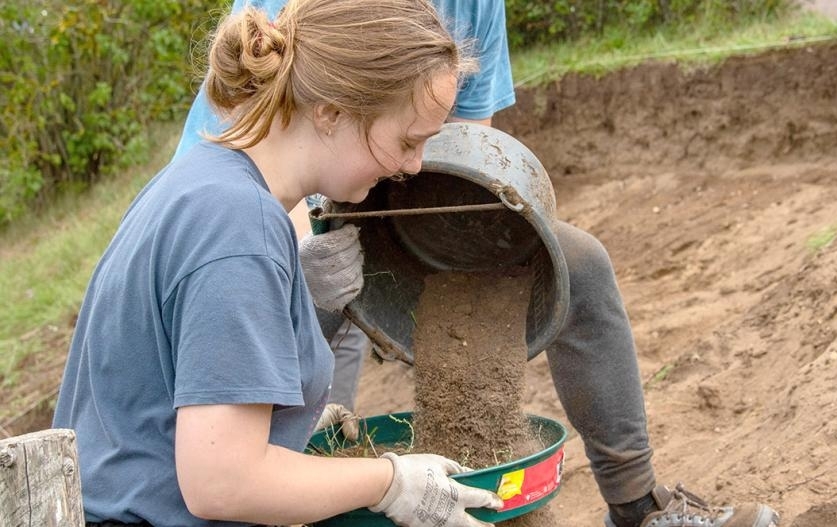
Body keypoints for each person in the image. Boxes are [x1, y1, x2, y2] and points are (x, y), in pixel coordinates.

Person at [175, 2, 782, 527]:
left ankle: (637, 505)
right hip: (290, 211)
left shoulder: (475, 5)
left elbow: (459, 151)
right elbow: (268, 149)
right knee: (312, 355)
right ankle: (309, 494)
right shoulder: (238, 219)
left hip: (383, 187)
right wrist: (310, 274)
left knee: (582, 265)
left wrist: (467, 239)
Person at [52, 1, 506, 526]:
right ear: (331, 111)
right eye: (407, 141)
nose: (414, 166)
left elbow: (159, 411)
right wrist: (390, 482)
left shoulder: (204, 178)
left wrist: (285, 423)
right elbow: (222, 484)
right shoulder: (240, 224)